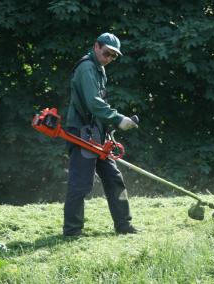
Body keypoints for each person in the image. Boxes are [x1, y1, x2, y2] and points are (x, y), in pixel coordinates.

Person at [63, 32, 139, 236]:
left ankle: (124, 225)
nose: (109, 59)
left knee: (114, 178)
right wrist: (119, 119)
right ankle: (72, 231)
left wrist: (108, 127)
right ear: (96, 46)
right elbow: (94, 103)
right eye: (107, 53)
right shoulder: (87, 67)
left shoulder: (99, 69)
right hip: (81, 132)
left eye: (114, 56)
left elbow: (97, 105)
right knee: (81, 183)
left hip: (96, 132)